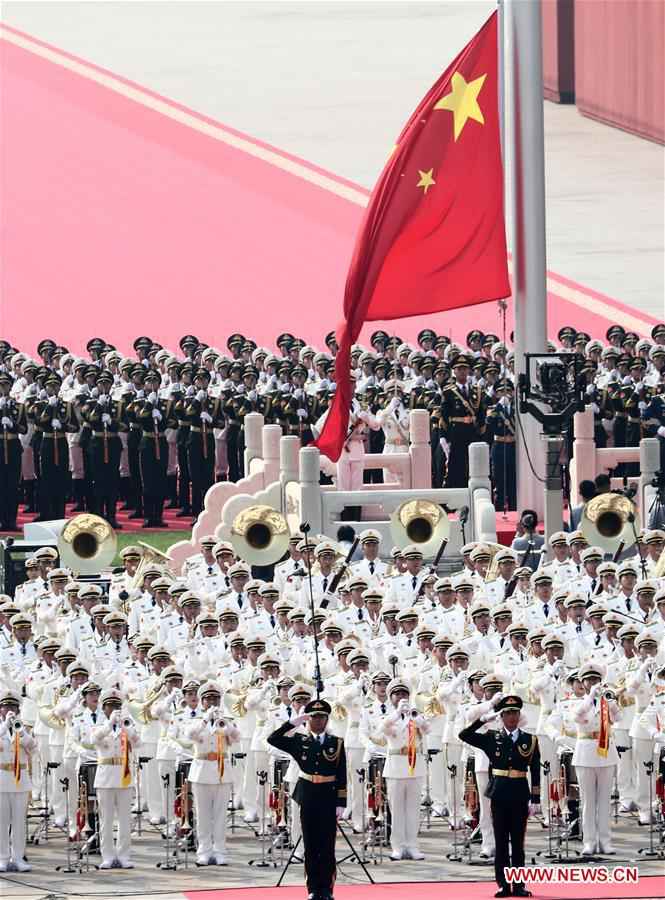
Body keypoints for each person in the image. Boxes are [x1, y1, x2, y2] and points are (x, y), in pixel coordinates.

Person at [459, 694, 540, 899]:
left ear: (519, 715)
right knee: (501, 842)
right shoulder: (491, 738)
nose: (511, 717)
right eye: (507, 713)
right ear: (501, 716)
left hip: (520, 794)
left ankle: (519, 884)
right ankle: (504, 884)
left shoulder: (529, 740)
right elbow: (464, 735)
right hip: (500, 794)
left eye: (514, 713)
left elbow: (536, 771)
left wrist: (536, 799)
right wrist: (482, 720)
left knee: (518, 844)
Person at [267, 698, 347, 900]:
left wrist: (341, 802)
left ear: (327, 719)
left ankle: (327, 889)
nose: (318, 721)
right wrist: (293, 723)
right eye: (313, 717)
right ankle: (313, 889)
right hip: (308, 795)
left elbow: (342, 774)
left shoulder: (336, 743)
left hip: (328, 796)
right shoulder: (299, 741)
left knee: (327, 846)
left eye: (321, 717)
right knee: (311, 845)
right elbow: (273, 739)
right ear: (308, 719)